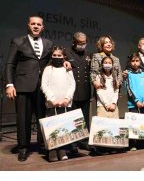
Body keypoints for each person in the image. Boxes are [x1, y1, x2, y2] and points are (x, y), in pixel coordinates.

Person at [4, 16, 70, 162]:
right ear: (28, 25)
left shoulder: (48, 43)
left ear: (42, 27)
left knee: (44, 118)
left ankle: (44, 145)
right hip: (23, 86)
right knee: (23, 119)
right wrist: (9, 84)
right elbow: (10, 64)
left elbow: (55, 59)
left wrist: (65, 62)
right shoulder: (18, 41)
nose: (35, 26)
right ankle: (23, 148)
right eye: (33, 24)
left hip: (42, 87)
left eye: (38, 24)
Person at [41, 46, 76, 162]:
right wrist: (52, 99)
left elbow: (72, 84)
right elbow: (44, 85)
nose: (57, 57)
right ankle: (52, 150)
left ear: (64, 57)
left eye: (59, 55)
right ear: (51, 56)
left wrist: (67, 98)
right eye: (54, 55)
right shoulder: (48, 69)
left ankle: (62, 149)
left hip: (65, 103)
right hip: (52, 103)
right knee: (53, 127)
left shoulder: (67, 69)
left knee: (64, 127)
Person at [65, 31, 92, 152]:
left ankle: (83, 141)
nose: (82, 45)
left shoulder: (89, 54)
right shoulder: (66, 52)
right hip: (72, 91)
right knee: (72, 118)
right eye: (80, 43)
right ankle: (73, 143)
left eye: (84, 43)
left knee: (84, 118)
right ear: (74, 42)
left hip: (85, 90)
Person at [125, 53, 144, 150]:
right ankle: (132, 144)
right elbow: (128, 89)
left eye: (137, 61)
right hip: (133, 104)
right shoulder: (128, 74)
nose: (135, 63)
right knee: (133, 124)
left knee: (142, 124)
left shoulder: (143, 74)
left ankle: (142, 143)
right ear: (130, 62)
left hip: (143, 103)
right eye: (133, 61)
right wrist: (136, 101)